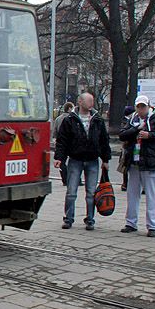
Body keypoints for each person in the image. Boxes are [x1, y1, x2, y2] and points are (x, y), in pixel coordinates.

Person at [119, 95, 155, 237]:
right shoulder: (132, 119)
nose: (141, 109)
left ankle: (152, 226)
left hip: (150, 161)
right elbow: (122, 135)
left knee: (152, 195)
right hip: (134, 160)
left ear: (148, 106)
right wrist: (136, 129)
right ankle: (131, 223)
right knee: (132, 193)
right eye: (138, 107)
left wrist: (150, 135)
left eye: (143, 106)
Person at [53, 92, 111, 231]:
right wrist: (59, 158)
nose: (91, 103)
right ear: (80, 102)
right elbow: (62, 141)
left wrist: (105, 159)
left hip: (92, 159)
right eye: (88, 101)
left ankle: (90, 219)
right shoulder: (70, 119)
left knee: (91, 193)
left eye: (92, 101)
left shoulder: (97, 119)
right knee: (71, 191)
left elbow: (104, 140)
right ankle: (68, 219)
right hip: (75, 159)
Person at [52, 102, 75, 185]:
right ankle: (76, 179)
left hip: (61, 143)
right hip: (71, 143)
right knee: (75, 162)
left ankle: (65, 179)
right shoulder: (72, 118)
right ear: (69, 108)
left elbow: (54, 132)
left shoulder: (58, 119)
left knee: (61, 161)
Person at [118, 105, 135, 191]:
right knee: (125, 165)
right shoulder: (127, 121)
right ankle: (125, 183)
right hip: (126, 146)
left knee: (127, 164)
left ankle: (126, 183)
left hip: (127, 145)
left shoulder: (125, 121)